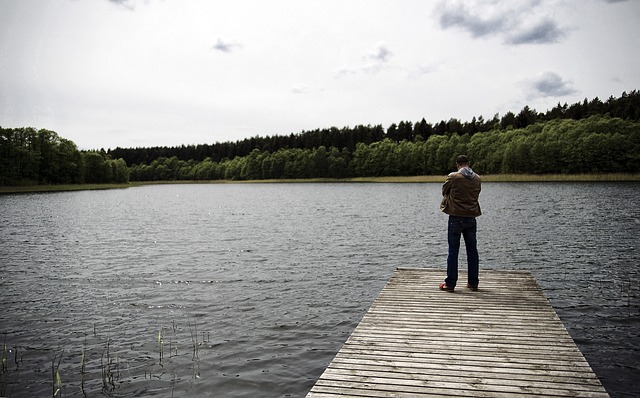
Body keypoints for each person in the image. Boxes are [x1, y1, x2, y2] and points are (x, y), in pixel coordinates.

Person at [439, 155, 481, 292]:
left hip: (456, 218)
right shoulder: (477, 178)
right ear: (469, 164)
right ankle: (473, 283)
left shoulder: (454, 177)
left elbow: (444, 191)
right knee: (472, 251)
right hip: (471, 218)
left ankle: (450, 284)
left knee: (453, 251)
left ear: (458, 165)